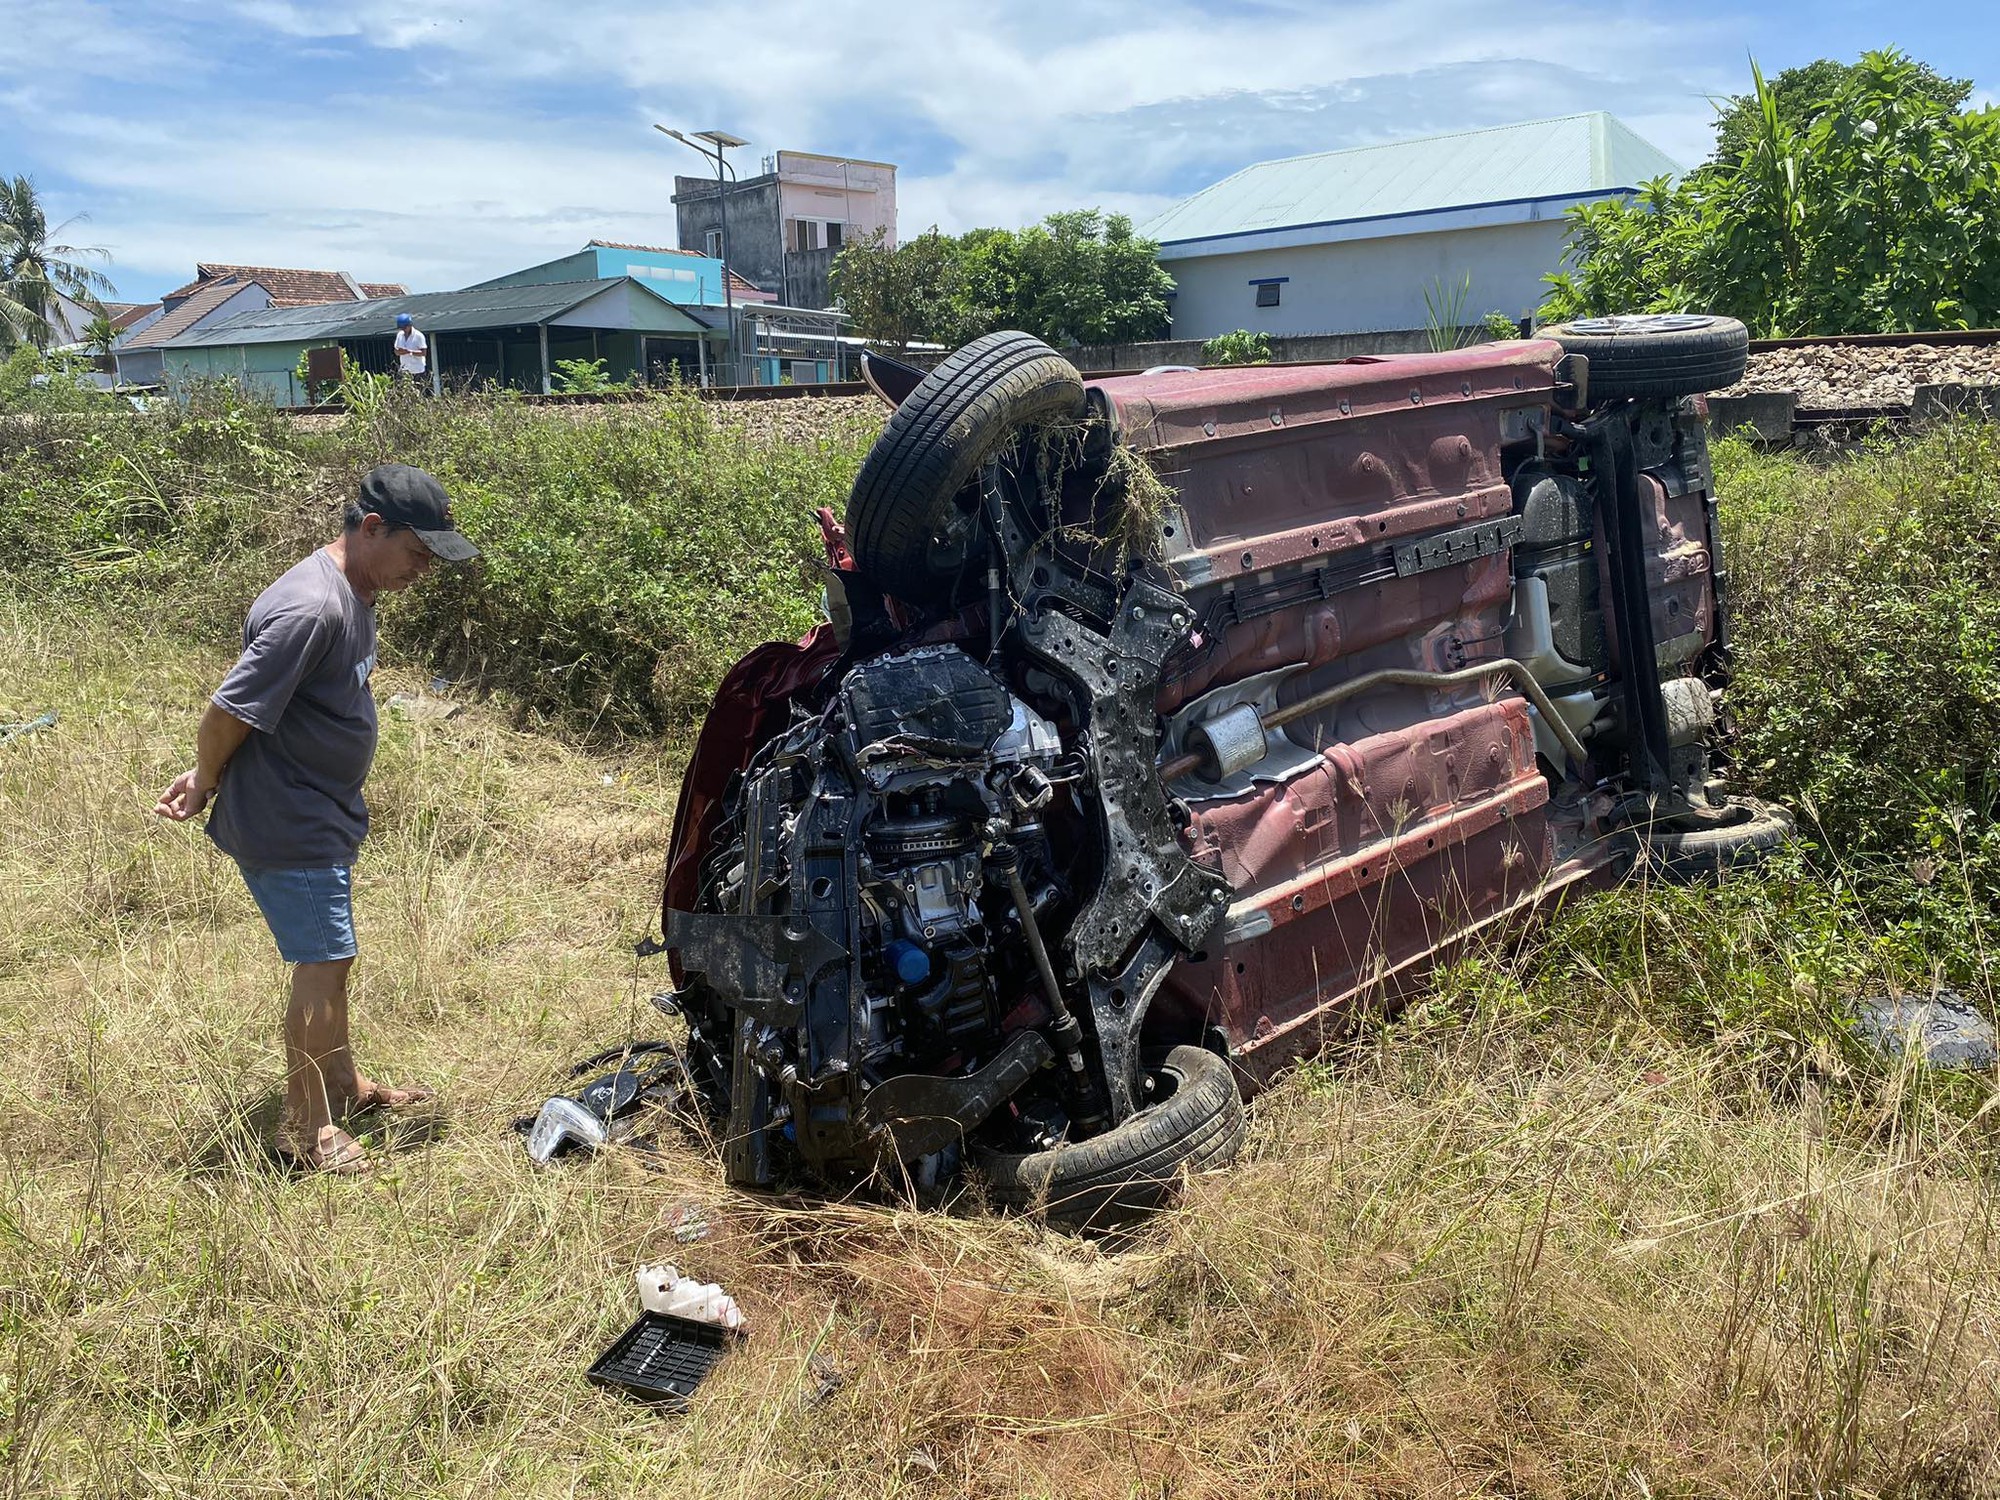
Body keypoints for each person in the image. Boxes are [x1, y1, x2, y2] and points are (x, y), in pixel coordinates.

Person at [155, 465, 479, 1173]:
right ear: (371, 529)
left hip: (315, 809)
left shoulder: (355, 589)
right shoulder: (313, 608)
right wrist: (204, 778)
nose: (424, 569)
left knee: (333, 960)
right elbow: (228, 710)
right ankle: (305, 1132)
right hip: (287, 817)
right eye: (418, 552)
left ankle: (342, 1085)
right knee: (322, 963)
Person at [393, 312, 428, 383]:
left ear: (409, 325)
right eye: (401, 328)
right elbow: (396, 351)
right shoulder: (400, 335)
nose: (403, 330)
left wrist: (409, 352)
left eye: (404, 328)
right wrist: (401, 351)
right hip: (404, 370)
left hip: (417, 370)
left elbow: (423, 353)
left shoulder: (419, 336)